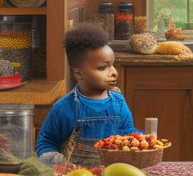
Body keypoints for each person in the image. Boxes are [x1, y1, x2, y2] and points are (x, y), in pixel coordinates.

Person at [36, 22, 138, 167]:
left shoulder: (119, 102)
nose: (114, 72)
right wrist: (57, 163)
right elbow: (46, 142)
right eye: (103, 67)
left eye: (113, 64)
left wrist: (142, 138)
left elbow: (127, 133)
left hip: (113, 173)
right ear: (79, 73)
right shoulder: (63, 107)